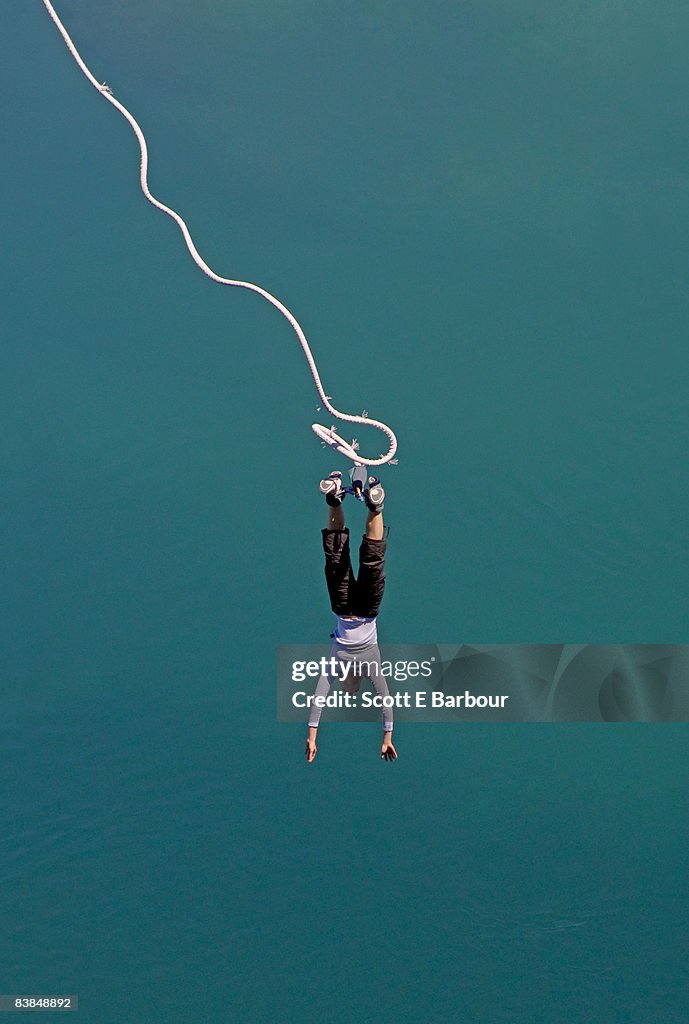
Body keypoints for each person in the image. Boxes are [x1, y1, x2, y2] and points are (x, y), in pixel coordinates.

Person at [305, 466, 398, 763]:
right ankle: (338, 499)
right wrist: (311, 735)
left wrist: (388, 736)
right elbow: (319, 699)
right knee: (339, 555)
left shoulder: (365, 667)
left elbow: (385, 703)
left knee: (372, 558)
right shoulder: (340, 665)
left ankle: (371, 504)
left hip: (361, 610)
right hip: (348, 609)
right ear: (351, 677)